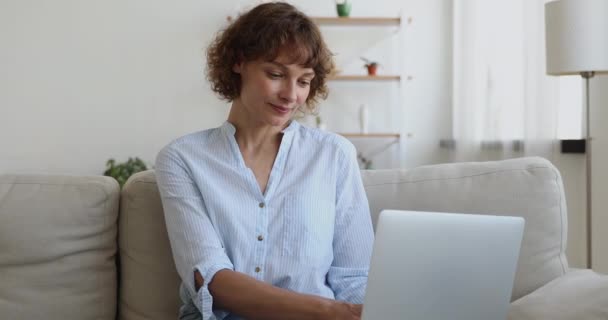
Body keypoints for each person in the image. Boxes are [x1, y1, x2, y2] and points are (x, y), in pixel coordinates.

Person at [155, 2, 374, 319]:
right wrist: (328, 311)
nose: (291, 95)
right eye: (275, 74)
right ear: (238, 62)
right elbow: (211, 279)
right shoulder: (182, 159)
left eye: (303, 80)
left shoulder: (334, 155)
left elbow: (356, 277)